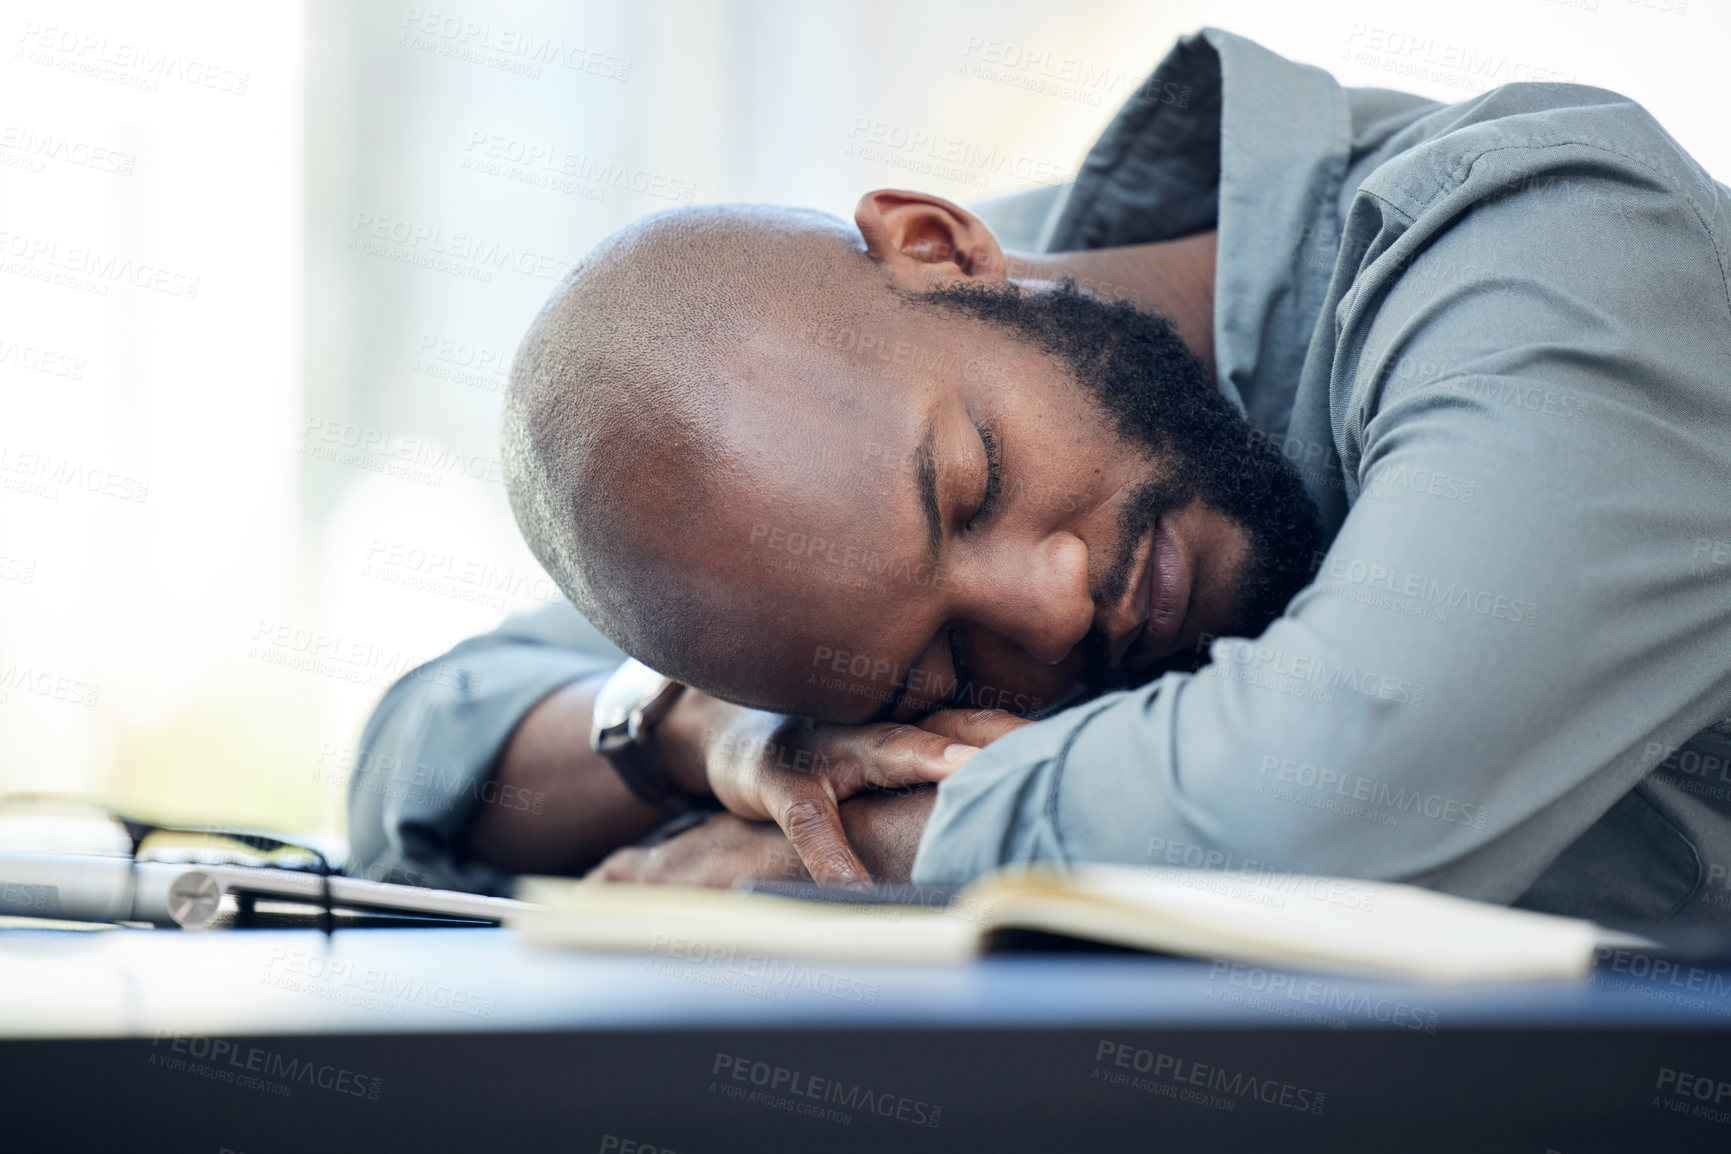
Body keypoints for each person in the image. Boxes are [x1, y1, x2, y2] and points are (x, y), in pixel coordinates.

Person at [347, 27, 1731, 933]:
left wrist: (827, 857)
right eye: (938, 663)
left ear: (945, 246)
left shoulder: (1555, 240)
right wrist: (705, 735)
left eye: (973, 482)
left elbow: (1328, 797)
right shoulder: (858, 441)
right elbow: (422, 746)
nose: (1055, 600)